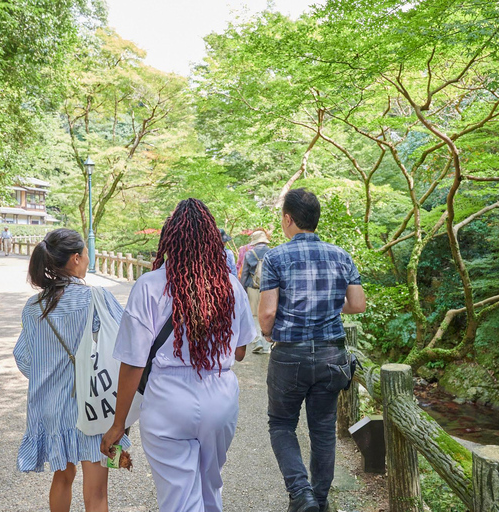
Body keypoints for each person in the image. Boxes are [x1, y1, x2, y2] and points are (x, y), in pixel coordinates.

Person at [100, 198, 256, 512]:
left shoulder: (148, 286)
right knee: (210, 485)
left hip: (167, 399)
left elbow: (133, 362)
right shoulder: (231, 287)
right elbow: (239, 351)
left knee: (180, 499)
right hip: (219, 394)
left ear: (170, 238)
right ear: (213, 239)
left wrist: (119, 423)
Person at [259, 188, 366, 512]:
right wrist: (326, 308)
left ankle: (300, 493)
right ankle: (318, 500)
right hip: (332, 354)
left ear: (288, 219)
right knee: (323, 429)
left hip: (290, 354)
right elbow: (357, 304)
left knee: (281, 425)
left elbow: (266, 314)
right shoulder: (341, 255)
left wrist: (267, 332)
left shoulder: (275, 257)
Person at [13, 228, 130, 512]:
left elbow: (23, 358)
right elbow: (125, 345)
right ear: (76, 258)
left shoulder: (33, 307)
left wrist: (51, 373)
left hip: (52, 406)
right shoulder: (97, 298)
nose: (88, 259)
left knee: (63, 478)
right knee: (96, 493)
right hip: (93, 405)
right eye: (87, 254)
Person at [240, 229, 270, 354]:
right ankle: (267, 344)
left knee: (254, 315)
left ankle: (258, 339)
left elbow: (245, 273)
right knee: (267, 313)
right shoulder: (271, 252)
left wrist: (242, 290)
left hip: (253, 287)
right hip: (269, 288)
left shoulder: (249, 254)